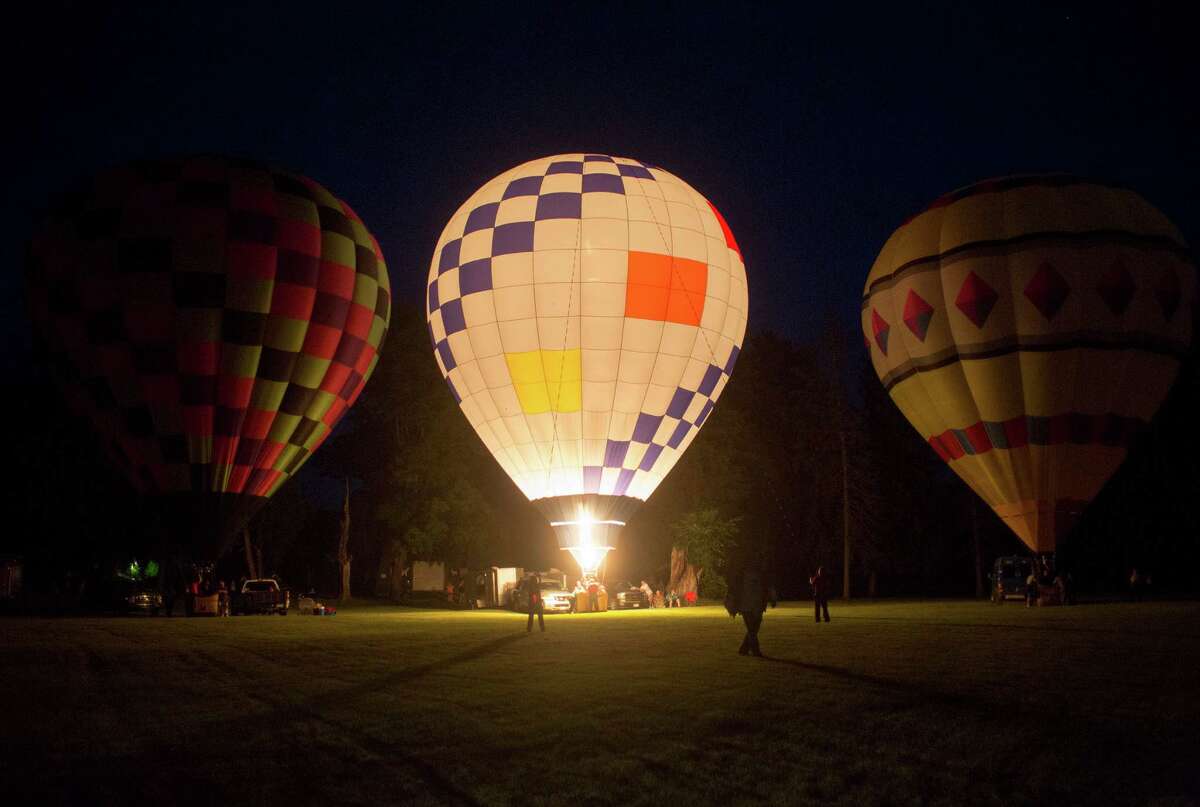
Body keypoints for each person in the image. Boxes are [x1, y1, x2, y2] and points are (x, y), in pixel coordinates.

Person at [724, 555, 777, 656]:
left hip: (756, 605)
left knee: (753, 629)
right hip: (747, 606)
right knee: (752, 630)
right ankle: (755, 651)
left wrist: (772, 598)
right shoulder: (745, 576)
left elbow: (768, 587)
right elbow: (734, 591)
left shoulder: (759, 576)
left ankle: (744, 649)